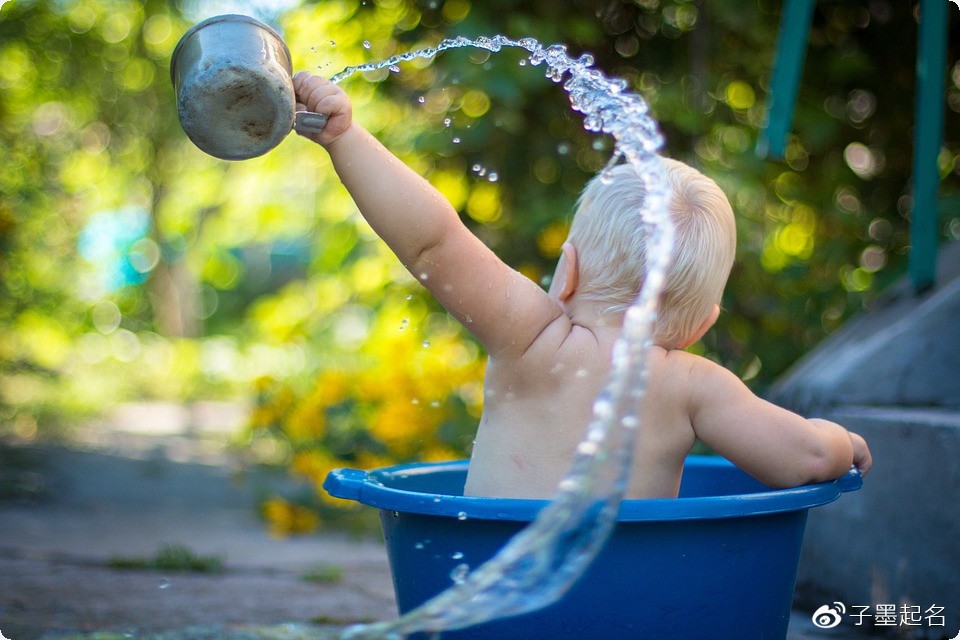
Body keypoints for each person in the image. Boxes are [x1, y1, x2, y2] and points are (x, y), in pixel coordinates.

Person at [292, 72, 872, 499]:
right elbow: (806, 458)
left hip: (494, 587)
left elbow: (433, 242)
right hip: (627, 607)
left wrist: (345, 136)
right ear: (702, 324)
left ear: (565, 272)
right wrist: (844, 442)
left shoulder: (532, 339)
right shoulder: (694, 386)